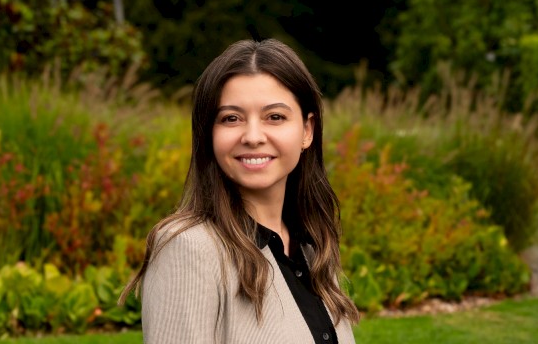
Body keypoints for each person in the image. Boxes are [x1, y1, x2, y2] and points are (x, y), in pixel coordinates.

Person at [119, 38, 360, 343]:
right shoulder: (190, 249)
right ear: (209, 134)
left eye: (275, 117)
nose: (253, 136)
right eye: (231, 118)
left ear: (307, 131)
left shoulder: (312, 249)